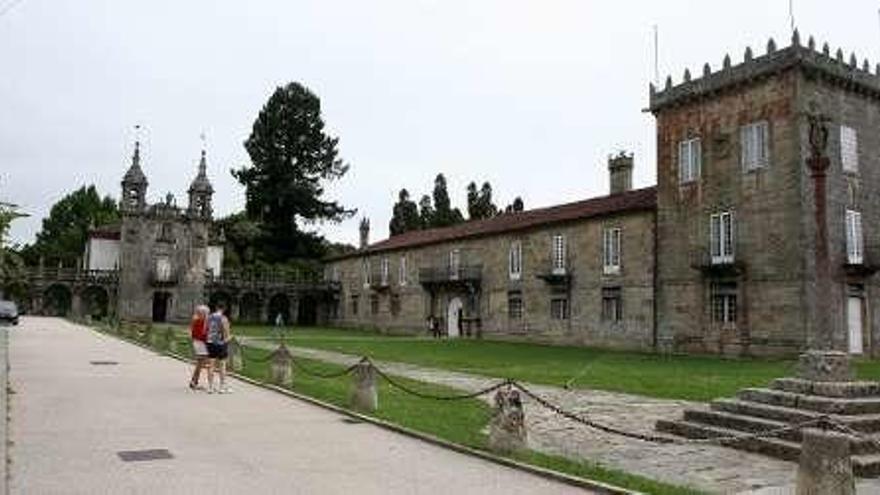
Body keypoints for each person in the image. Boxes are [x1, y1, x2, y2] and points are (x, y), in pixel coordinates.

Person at [206, 303, 232, 394]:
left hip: (210, 342)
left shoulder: (209, 317)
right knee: (222, 365)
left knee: (211, 365)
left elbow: (206, 329)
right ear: (224, 309)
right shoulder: (223, 318)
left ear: (216, 308)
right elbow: (226, 331)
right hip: (220, 343)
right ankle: (222, 387)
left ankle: (210, 387)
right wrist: (228, 338)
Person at [188, 305, 210, 390]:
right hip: (201, 343)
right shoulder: (202, 321)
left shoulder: (195, 320)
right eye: (207, 313)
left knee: (200, 364)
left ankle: (194, 381)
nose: (208, 314)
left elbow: (192, 333)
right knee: (201, 363)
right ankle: (194, 382)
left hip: (197, 342)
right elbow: (203, 334)